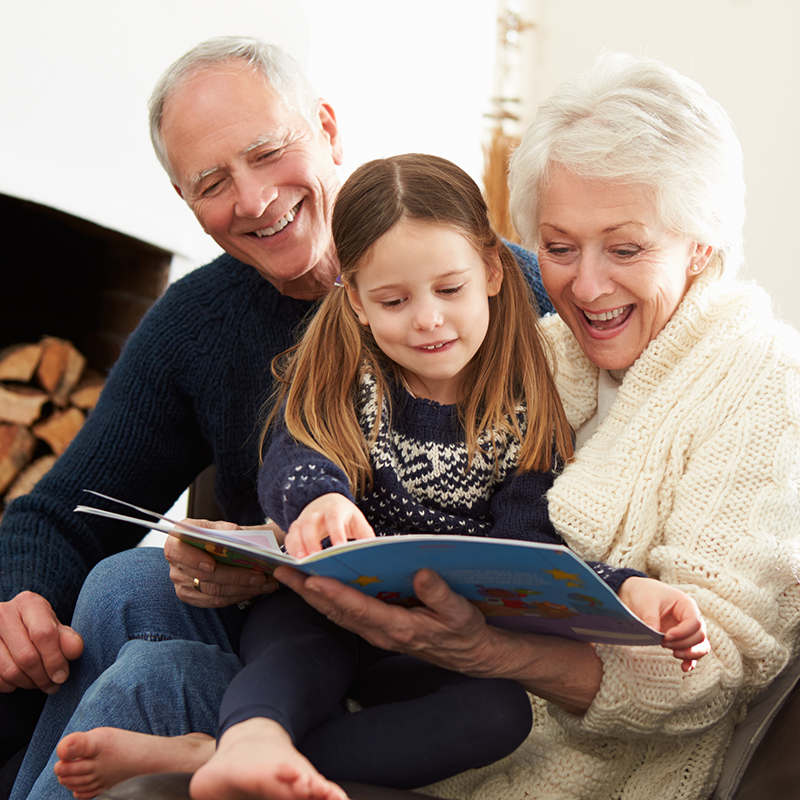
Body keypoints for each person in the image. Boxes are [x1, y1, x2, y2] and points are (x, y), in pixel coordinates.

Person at [2, 37, 552, 800]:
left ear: (327, 128)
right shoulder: (197, 323)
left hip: (452, 647)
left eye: (268, 152)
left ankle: (208, 751)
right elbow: (61, 512)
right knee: (121, 585)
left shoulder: (506, 291)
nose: (255, 199)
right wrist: (16, 595)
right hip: (293, 632)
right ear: (185, 204)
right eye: (212, 181)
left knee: (152, 659)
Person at [258, 53, 800, 800]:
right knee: (143, 603)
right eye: (559, 246)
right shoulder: (537, 352)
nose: (586, 284)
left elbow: (709, 673)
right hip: (409, 702)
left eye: (627, 247)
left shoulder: (764, 386)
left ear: (701, 244)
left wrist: (491, 653)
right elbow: (352, 440)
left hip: (573, 765)